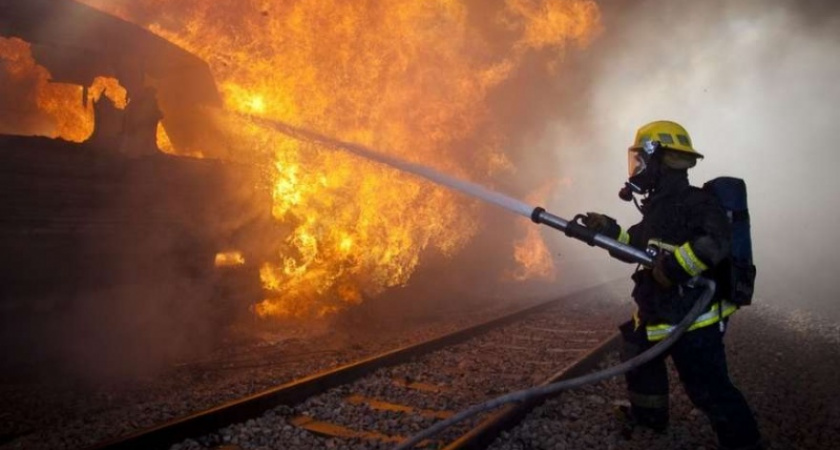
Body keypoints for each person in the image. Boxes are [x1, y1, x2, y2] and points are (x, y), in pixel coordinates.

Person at [582, 120, 762, 450]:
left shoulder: (695, 202)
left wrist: (676, 268)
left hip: (693, 322)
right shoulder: (660, 206)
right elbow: (635, 245)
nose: (637, 167)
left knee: (709, 392)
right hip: (659, 313)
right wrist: (608, 230)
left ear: (659, 158)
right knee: (637, 353)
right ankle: (650, 419)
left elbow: (715, 243)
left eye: (641, 159)